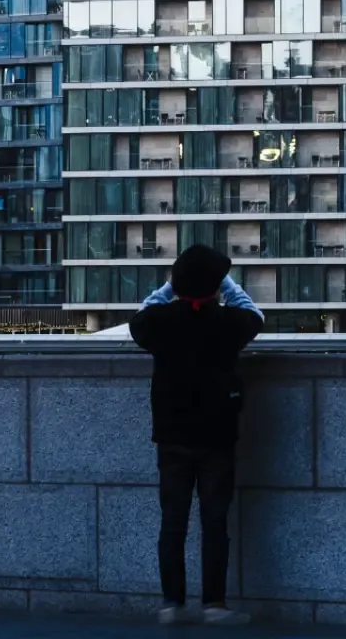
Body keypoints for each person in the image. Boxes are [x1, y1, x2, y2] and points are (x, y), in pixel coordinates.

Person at [129, 245, 265, 627]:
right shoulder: (226, 323)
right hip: (217, 433)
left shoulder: (159, 321)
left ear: (177, 283)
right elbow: (254, 314)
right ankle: (214, 605)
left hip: (171, 433)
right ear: (215, 286)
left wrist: (170, 287)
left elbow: (142, 315)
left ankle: (171, 603)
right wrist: (228, 284)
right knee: (214, 522)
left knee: (172, 521)